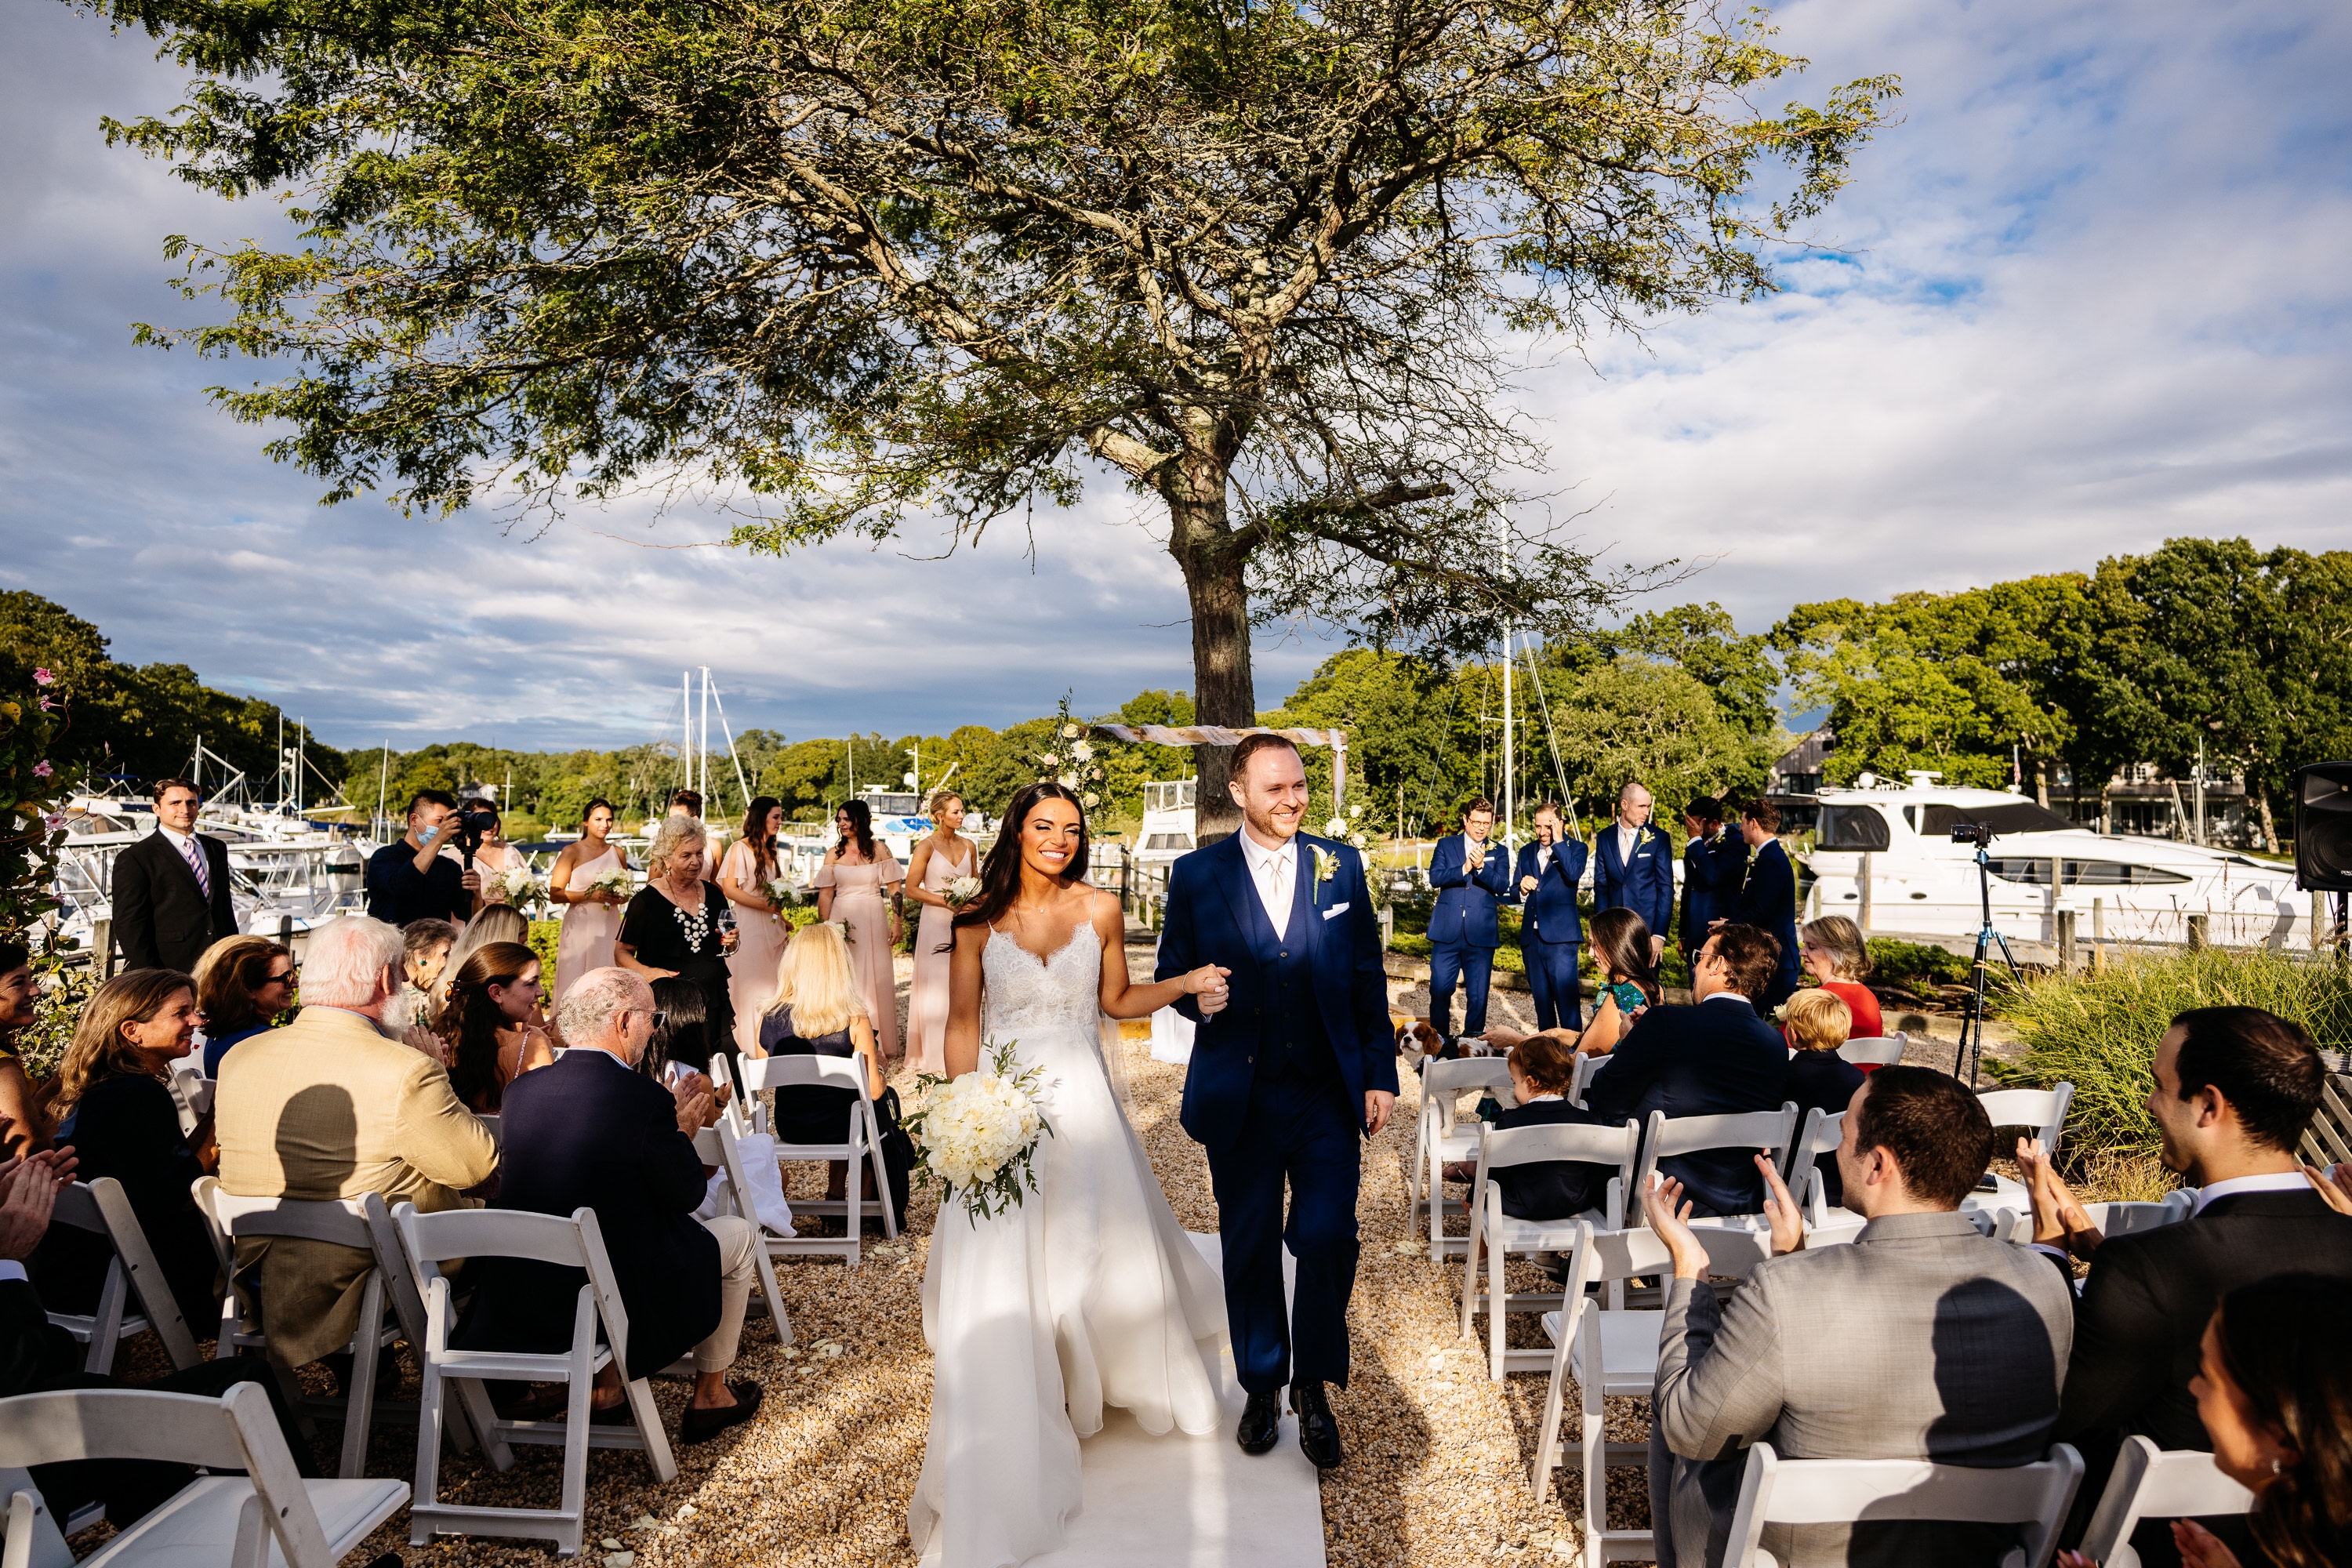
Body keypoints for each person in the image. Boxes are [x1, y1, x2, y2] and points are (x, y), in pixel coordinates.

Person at [909, 779, 1240, 1568]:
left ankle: (1097, 1377)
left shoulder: (1101, 906)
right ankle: (1035, 1383)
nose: (1059, 837)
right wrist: (965, 1113)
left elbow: (1118, 1000)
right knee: (1013, 1252)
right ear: (1017, 831)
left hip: (1083, 1103)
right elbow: (961, 1024)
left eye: (1072, 827)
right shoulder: (976, 918)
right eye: (1044, 824)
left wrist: (1187, 983)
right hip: (1006, 1100)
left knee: (1094, 1238)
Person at [1647, 1065, 2074, 1568]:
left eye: (1845, 1133)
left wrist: (1690, 1271)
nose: (1836, 1150)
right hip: (1973, 1552)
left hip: (1803, 1554)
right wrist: (1794, 1260)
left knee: (1678, 1404)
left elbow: (1693, 1429)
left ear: (1877, 1164)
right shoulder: (2048, 1283)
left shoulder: (1784, 1293)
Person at [2017, 1007, 2352, 1567]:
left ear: (2210, 1106)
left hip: (2161, 1547)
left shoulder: (2148, 1268)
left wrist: (2053, 1252)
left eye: (2160, 1087)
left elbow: (2064, 1429)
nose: (2150, 1103)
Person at [1153, 735, 1398, 1474]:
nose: (1291, 799)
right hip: (1241, 1096)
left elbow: (1365, 978)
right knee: (1250, 1245)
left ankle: (1313, 1386)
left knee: (1325, 1236)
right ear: (1238, 793)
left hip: (1325, 1091)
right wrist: (1199, 993)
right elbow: (1173, 974)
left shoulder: (1339, 864)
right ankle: (1262, 1385)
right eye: (1274, 789)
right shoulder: (1196, 876)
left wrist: (1379, 1073)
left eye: (1298, 785)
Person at [454, 967, 762, 1445]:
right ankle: (711, 1394)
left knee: (602, 1221)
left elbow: (588, 1186)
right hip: (611, 1293)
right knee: (738, 1237)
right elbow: (686, 1195)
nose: (654, 1029)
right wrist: (681, 1134)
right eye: (652, 1019)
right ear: (623, 1022)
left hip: (525, 1292)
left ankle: (607, 1388)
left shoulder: (522, 1093)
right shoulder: (641, 1098)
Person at [213, 915, 499, 1377]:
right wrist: (440, 1075)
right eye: (401, 974)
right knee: (514, 1232)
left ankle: (372, 1378)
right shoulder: (405, 1069)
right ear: (386, 978)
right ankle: (488, 1384)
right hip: (362, 1280)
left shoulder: (239, 1057)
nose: (405, 982)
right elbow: (473, 1167)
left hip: (257, 1272)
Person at [0, 1149, 323, 1528]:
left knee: (230, 1383)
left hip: (42, 1433)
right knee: (240, 1388)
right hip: (26, 1469)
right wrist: (8, 1259)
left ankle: (258, 1543)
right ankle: (307, 1539)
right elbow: (25, 1371)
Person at [31, 971, 222, 1334]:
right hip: (122, 1280)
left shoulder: (96, 1087)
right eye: (181, 1013)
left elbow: (170, 1166)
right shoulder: (137, 1096)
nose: (197, 1021)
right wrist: (221, 1121)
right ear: (132, 1030)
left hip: (69, 1271)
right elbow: (184, 1194)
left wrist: (212, 1117)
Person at [1573, 925, 1790, 1218]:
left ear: (1719, 965)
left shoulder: (1666, 1022)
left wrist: (1631, 1041)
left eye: (1701, 957)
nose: (1695, 966)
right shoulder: (1776, 1043)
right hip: (1743, 1200)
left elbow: (1608, 1097)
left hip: (1664, 1196)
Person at [756, 922, 884, 1220]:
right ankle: (865, 1190)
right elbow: (873, 1090)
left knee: (839, 1099)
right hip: (841, 1129)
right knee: (875, 1100)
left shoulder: (770, 1016)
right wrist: (879, 1069)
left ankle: (837, 1191)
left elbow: (769, 1066)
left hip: (792, 1125)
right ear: (839, 965)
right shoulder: (854, 1018)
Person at [617, 815, 742, 1074]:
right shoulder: (646, 901)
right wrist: (649, 973)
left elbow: (725, 943)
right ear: (666, 859)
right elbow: (621, 952)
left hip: (712, 999)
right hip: (670, 1008)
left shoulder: (715, 894)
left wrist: (732, 943)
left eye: (699, 853)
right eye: (686, 855)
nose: (696, 861)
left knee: (722, 1071)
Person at [1439, 1029, 1588, 1219]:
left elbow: (1492, 1168)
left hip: (1521, 1205)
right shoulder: (1588, 1119)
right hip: (1573, 1205)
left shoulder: (1510, 1121)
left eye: (1514, 1082)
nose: (1514, 1087)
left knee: (1485, 1200)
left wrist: (1472, 1196)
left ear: (1531, 1082)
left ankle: (1481, 1249)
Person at [111, 777, 238, 974]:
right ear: (157, 809)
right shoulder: (135, 858)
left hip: (219, 966)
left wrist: (234, 955)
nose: (185, 809)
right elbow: (129, 926)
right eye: (175, 803)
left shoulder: (216, 848)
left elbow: (224, 907)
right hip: (169, 968)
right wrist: (150, 978)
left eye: (191, 802)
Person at [814, 799, 903, 1065]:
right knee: (844, 974)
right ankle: (844, 1037)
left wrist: (897, 923)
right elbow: (826, 894)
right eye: (838, 820)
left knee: (877, 975)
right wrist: (825, 928)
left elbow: (895, 890)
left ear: (860, 820)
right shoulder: (834, 854)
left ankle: (879, 1039)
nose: (841, 824)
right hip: (843, 918)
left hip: (873, 916)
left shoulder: (880, 850)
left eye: (846, 819)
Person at [902, 788, 978, 1076]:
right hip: (935, 920)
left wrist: (973, 901)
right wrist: (947, 901)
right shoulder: (925, 847)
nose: (961, 816)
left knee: (964, 979)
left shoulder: (970, 845)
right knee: (937, 983)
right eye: (956, 811)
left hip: (966, 921)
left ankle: (964, 1047)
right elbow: (911, 889)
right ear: (939, 816)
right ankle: (935, 1053)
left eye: (962, 811)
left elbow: (976, 881)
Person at [1426, 796, 1512, 1041]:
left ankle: (1471, 1046)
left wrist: (1483, 868)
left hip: (1481, 934)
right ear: (1465, 820)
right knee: (1440, 990)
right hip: (1446, 932)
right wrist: (1464, 869)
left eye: (1486, 823)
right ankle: (1439, 1045)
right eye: (1476, 821)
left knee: (1478, 997)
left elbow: (1503, 885)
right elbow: (1435, 877)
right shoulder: (1446, 844)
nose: (1481, 827)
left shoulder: (1499, 851)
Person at [441, 942, 557, 1113]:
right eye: (532, 983)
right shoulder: (530, 1045)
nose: (541, 992)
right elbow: (548, 1117)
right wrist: (542, 1041)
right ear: (496, 993)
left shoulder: (444, 1034)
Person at [717, 796, 793, 1058]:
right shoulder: (739, 849)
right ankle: (748, 1046)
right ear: (761, 817)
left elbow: (774, 896)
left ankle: (773, 1042)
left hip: (771, 926)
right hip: (749, 925)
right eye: (776, 817)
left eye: (780, 817)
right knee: (752, 985)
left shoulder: (771, 851)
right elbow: (730, 889)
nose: (780, 822)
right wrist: (765, 906)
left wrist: (783, 917)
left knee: (775, 985)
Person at [1781, 987, 1864, 1209]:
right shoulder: (1857, 1078)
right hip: (1841, 1185)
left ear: (1794, 1033)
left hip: (1787, 1186)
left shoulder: (1783, 1075)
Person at [1514, 800, 1588, 1033]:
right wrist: (1521, 887)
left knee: (1568, 1006)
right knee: (1542, 1005)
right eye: (1538, 827)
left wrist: (1558, 841)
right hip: (1532, 940)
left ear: (1559, 824)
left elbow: (1574, 873)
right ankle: (1547, 1060)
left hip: (1562, 940)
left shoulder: (1576, 848)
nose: (1542, 832)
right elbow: (1514, 890)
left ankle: (1574, 1059)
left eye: (1548, 826)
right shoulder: (1526, 851)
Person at [1723, 798, 1802, 1010]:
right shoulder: (1768, 856)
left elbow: (1761, 910)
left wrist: (1728, 926)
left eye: (1743, 822)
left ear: (1754, 823)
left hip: (1779, 960)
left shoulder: (1771, 860)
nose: (1740, 828)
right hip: (1773, 957)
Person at [550, 798, 630, 1003]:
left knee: (608, 976)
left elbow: (627, 892)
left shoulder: (618, 852)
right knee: (577, 977)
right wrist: (591, 895)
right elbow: (555, 894)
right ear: (586, 822)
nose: (605, 825)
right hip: (580, 924)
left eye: (609, 820)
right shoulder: (572, 851)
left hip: (609, 923)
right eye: (599, 819)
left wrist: (620, 896)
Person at [365, 789, 477, 928]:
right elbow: (400, 885)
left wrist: (476, 893)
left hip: (436, 946)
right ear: (414, 820)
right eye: (439, 821)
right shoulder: (384, 857)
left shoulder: (449, 867)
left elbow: (467, 915)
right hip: (392, 945)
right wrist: (438, 839)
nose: (444, 828)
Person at [1592, 782, 1673, 965]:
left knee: (1648, 988)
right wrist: (1600, 931)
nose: (1647, 812)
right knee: (1617, 985)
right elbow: (1601, 885)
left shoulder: (1659, 838)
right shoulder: (1605, 837)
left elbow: (1666, 888)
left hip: (1647, 931)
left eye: (1648, 807)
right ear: (1625, 805)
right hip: (1614, 931)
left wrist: (1659, 935)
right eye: (1642, 806)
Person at [193, 935, 294, 1076]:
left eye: (294, 973)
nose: (295, 983)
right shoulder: (269, 1041)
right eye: (286, 978)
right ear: (249, 989)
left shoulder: (216, 1039)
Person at [1570, 907, 1662, 1057]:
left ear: (1616, 946)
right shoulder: (1656, 987)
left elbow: (1578, 1064)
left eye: (1595, 945)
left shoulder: (1620, 997)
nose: (1590, 954)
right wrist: (1557, 1034)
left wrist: (1519, 1042)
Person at [1800, 915, 1885, 1044]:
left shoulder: (1817, 1001)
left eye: (1811, 947)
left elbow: (1786, 1048)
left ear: (1837, 954)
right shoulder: (1869, 997)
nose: (1801, 952)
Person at [0, 942, 50, 1158]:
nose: (35, 990)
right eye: (19, 983)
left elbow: (23, 1112)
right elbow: (32, 1154)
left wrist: (63, 1082)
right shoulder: (2, 1069)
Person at [1677, 796, 1740, 961]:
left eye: (1694, 824)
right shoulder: (1694, 845)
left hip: (1720, 935)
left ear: (1713, 823)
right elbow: (1688, 889)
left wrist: (1696, 841)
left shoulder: (1735, 842)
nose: (1689, 829)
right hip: (1694, 937)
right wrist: (1683, 934)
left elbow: (1713, 876)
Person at [459, 799, 528, 914]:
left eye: (492, 819)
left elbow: (527, 892)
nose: (489, 826)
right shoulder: (455, 855)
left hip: (508, 920)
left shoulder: (510, 851)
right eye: (482, 820)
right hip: (473, 922)